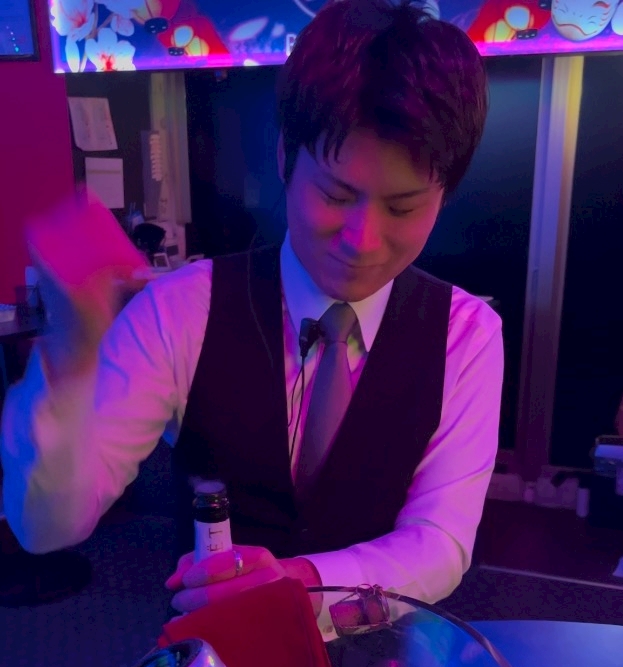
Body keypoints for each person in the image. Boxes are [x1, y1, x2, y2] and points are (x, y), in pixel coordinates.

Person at [0, 0, 503, 616]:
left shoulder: (467, 335)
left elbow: (441, 543)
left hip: (387, 656)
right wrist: (72, 352)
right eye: (335, 194)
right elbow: (47, 528)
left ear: (443, 194)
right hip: (214, 661)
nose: (364, 241)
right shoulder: (182, 309)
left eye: (402, 207)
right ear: (285, 157)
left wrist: (300, 584)